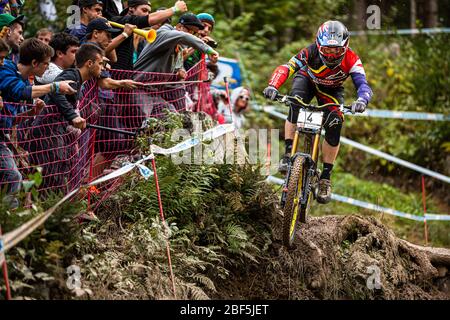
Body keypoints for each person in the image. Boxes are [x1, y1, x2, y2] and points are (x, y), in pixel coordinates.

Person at [263, 20, 372, 204]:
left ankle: (325, 178)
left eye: (336, 50)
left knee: (336, 122)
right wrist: (273, 85)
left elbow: (363, 84)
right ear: (319, 46)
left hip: (332, 91)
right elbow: (287, 67)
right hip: (307, 80)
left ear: (345, 48)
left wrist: (362, 100)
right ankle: (288, 153)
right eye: (327, 49)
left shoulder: (352, 59)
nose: (331, 55)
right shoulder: (309, 51)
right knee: (294, 102)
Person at [0, 38, 76, 207]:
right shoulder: (6, 71)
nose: (48, 67)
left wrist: (30, 113)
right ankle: (9, 222)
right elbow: (20, 91)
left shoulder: (25, 80)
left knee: (15, 176)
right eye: (45, 64)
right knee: (13, 176)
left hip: (3, 135)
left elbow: (10, 120)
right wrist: (54, 87)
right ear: (34, 63)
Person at [110, 0, 188, 71]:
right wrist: (175, 8)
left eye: (148, 12)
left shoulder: (136, 34)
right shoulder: (119, 21)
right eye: (144, 10)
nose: (147, 14)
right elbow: (149, 19)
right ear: (131, 9)